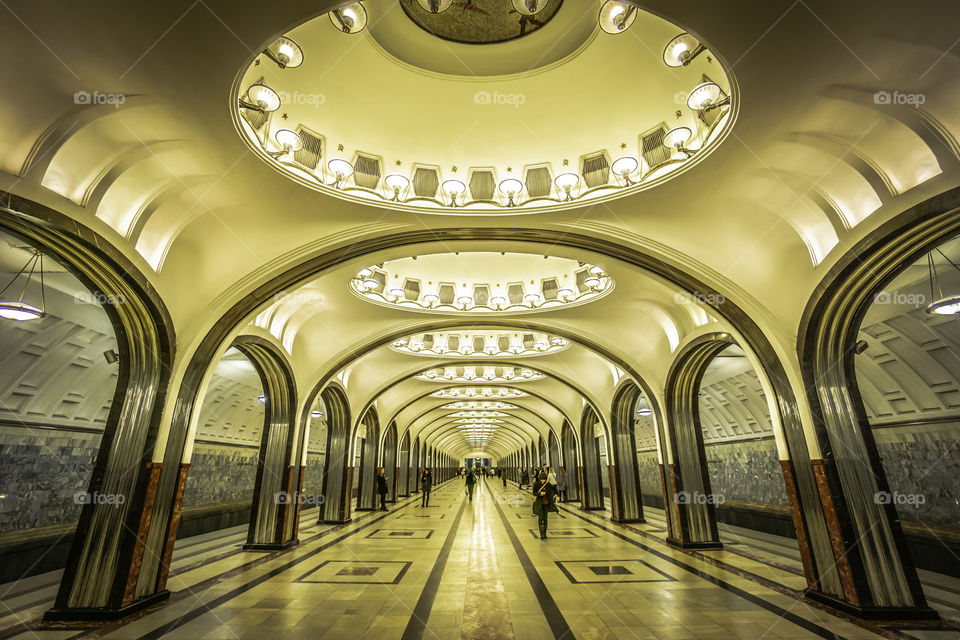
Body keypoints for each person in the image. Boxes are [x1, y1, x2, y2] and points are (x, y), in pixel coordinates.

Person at [531, 471, 558, 539]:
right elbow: (534, 492)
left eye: (544, 479)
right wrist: (540, 494)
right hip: (539, 504)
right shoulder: (536, 484)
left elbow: (554, 489)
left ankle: (544, 533)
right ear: (539, 479)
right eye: (542, 479)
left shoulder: (548, 484)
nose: (543, 481)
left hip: (546, 504)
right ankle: (541, 533)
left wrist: (556, 494)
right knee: (540, 518)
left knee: (545, 518)